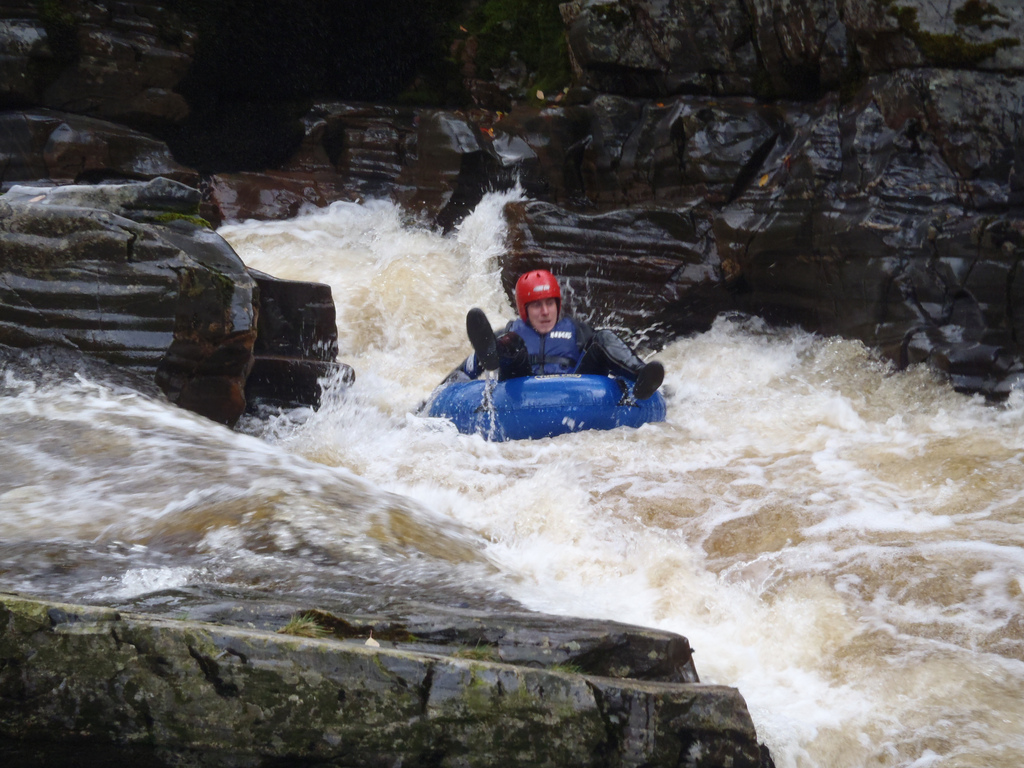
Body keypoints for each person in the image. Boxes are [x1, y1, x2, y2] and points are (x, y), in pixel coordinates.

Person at [448, 269, 664, 400]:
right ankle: (493, 357)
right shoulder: (510, 331)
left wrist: (662, 391)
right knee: (509, 343)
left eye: (550, 303)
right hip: (519, 390)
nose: (545, 312)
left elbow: (610, 353)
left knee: (604, 336)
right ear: (524, 309)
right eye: (536, 306)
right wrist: (432, 400)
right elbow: (461, 374)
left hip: (574, 393)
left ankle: (641, 376)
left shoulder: (578, 331)